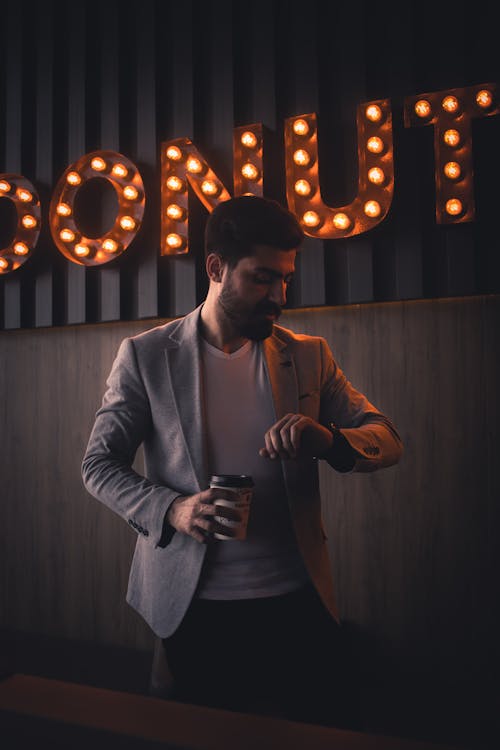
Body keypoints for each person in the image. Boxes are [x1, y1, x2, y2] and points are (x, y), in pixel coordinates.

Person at [82, 195, 403, 727]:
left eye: (285, 280)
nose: (277, 296)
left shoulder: (308, 355)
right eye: (261, 279)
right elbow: (98, 465)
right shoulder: (145, 356)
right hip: (193, 611)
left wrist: (328, 440)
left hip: (297, 602)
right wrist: (173, 510)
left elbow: (387, 438)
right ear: (215, 268)